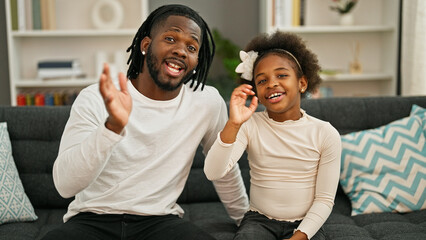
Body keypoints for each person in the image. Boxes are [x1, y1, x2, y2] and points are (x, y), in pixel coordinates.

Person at [43, 4, 248, 240]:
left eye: (191, 47)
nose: (181, 50)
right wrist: (112, 128)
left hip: (160, 222)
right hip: (92, 219)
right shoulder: (96, 97)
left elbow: (223, 170)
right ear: (146, 45)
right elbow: (64, 185)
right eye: (171, 38)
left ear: (196, 60)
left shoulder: (207, 102)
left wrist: (248, 221)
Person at [204, 31, 342, 240]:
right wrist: (234, 123)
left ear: (302, 83)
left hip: (306, 224)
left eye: (282, 75)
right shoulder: (249, 126)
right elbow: (213, 172)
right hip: (259, 221)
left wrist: (300, 236)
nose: (271, 84)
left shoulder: (325, 133)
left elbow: (324, 199)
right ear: (255, 91)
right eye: (261, 80)